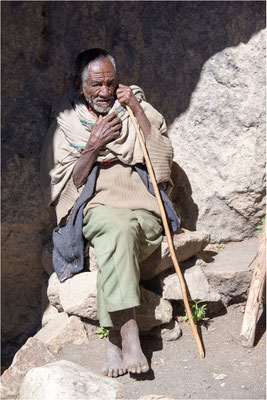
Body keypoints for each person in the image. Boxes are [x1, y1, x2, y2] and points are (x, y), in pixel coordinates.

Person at [41, 48, 179, 378]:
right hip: (98, 207)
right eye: (96, 85)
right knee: (116, 228)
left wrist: (135, 108)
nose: (104, 92)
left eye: (110, 83)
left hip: (143, 207)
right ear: (78, 85)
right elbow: (67, 184)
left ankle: (113, 338)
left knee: (122, 233)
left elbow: (160, 166)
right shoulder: (68, 126)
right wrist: (92, 145)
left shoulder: (135, 109)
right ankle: (129, 335)